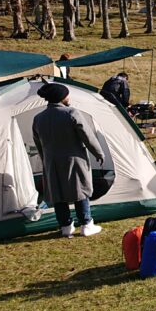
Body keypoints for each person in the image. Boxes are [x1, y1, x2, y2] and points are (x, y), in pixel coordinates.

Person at [32, 83, 105, 237]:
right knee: (80, 191)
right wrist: (99, 153)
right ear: (61, 97)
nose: (68, 97)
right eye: (67, 95)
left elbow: (39, 144)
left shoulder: (38, 118)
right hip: (74, 159)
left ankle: (66, 226)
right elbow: (87, 137)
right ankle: (86, 224)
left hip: (51, 161)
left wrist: (45, 160)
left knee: (58, 193)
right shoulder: (71, 113)